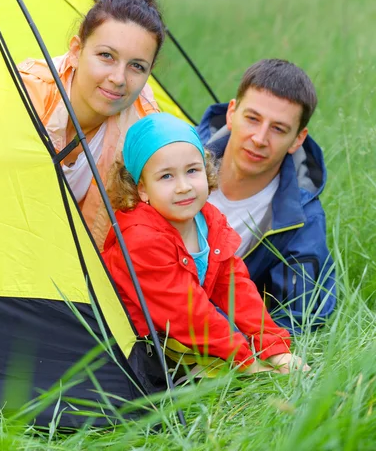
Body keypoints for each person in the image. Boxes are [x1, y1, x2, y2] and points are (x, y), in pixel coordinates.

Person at [102, 112, 309, 374]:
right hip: (133, 348)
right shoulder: (141, 239)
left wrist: (275, 347)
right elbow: (190, 315)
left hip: (177, 336)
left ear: (206, 168)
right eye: (166, 176)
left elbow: (234, 287)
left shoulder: (208, 220)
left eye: (192, 170)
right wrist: (248, 363)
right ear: (142, 189)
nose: (184, 186)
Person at [18, 0, 163, 250]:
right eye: (106, 56)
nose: (119, 78)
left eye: (137, 66)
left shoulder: (143, 130)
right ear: (76, 50)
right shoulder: (24, 94)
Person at [197, 59, 336, 333]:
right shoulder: (176, 158)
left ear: (298, 139)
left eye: (278, 129)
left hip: (207, 339)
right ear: (232, 113)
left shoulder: (301, 219)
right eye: (252, 119)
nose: (259, 138)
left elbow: (296, 319)